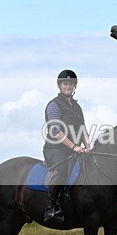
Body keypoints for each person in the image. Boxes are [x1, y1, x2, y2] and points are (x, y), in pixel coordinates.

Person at [43, 70, 90, 223]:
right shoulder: (54, 105)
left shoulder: (77, 107)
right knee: (62, 168)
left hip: (74, 148)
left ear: (75, 86)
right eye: (65, 83)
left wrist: (88, 145)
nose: (68, 86)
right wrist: (74, 147)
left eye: (71, 84)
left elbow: (82, 129)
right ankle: (51, 209)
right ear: (59, 86)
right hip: (55, 149)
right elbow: (56, 131)